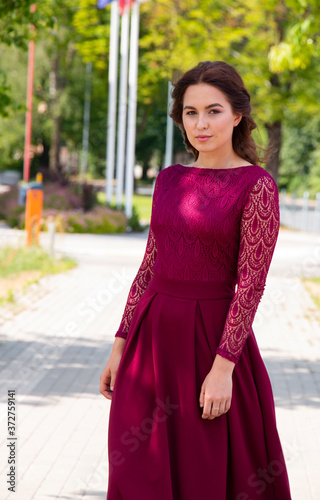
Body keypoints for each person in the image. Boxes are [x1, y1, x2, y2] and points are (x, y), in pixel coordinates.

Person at [100, 60, 292, 500]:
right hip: (151, 343)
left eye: (213, 111)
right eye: (190, 112)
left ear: (238, 114)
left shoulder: (256, 187)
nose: (201, 124)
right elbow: (149, 265)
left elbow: (252, 284)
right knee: (137, 467)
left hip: (213, 344)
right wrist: (119, 345)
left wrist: (223, 368)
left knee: (208, 469)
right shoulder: (168, 180)